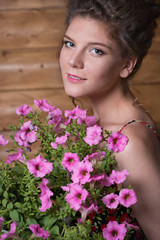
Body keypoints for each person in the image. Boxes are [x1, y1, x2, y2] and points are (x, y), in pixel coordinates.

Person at [59, 0, 160, 239]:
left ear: (127, 64)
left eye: (96, 50)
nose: (74, 61)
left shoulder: (127, 141)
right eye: (69, 43)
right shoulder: (100, 126)